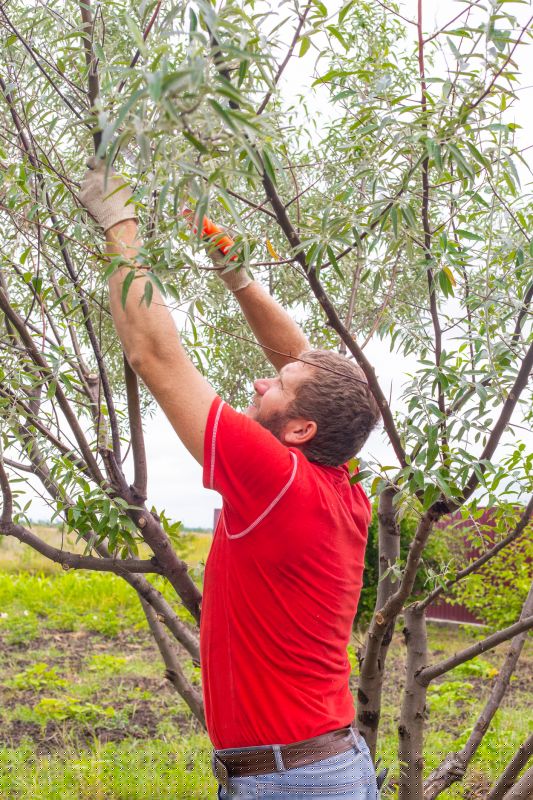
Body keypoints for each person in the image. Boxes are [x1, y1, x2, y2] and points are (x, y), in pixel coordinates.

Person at [80, 158, 382, 799]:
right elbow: (306, 368)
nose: (260, 378)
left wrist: (119, 220)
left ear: (300, 429)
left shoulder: (275, 479)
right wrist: (237, 275)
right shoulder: (338, 479)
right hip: (322, 770)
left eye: (275, 387)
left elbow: (153, 356)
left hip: (291, 782)